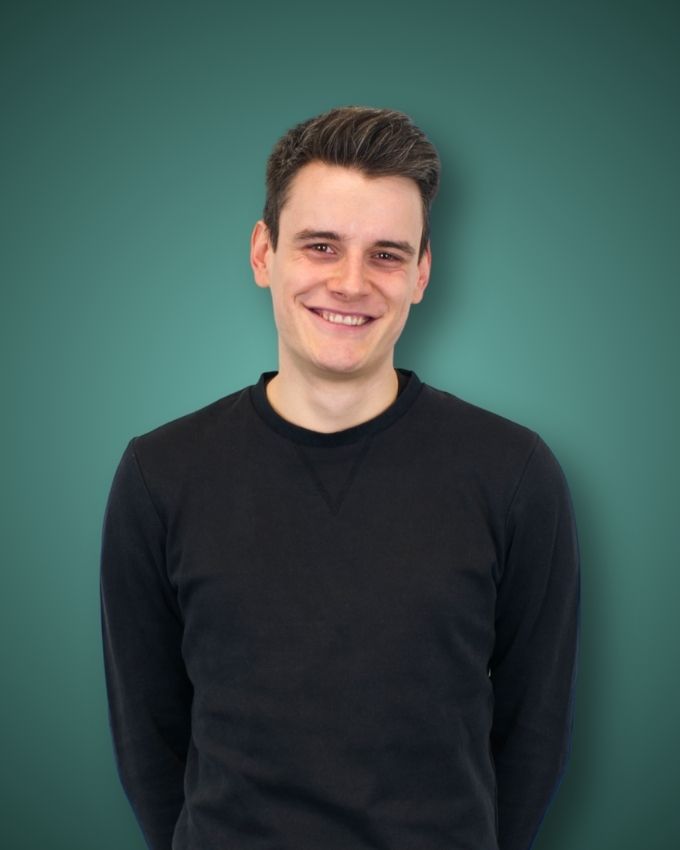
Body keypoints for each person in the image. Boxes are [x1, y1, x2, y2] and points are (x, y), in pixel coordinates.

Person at [100, 106, 580, 850]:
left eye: (386, 254)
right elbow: (147, 731)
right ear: (264, 253)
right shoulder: (159, 474)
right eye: (321, 245)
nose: (351, 282)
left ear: (421, 274)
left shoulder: (514, 473)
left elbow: (534, 726)